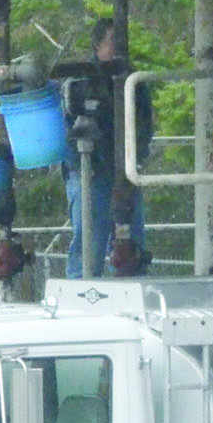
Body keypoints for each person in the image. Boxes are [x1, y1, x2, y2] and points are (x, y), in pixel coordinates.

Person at [59, 15, 153, 277]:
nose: (119, 48)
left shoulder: (135, 81)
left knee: (131, 241)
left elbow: (146, 124)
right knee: (91, 239)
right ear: (97, 45)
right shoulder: (79, 81)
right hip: (89, 171)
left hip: (125, 170)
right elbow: (68, 127)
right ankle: (81, 293)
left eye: (122, 41)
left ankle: (131, 289)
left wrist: (136, 159)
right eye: (113, 41)